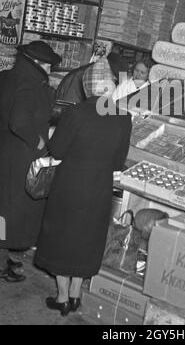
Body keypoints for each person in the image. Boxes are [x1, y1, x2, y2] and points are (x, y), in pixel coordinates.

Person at [34, 58, 132, 316]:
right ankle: (77, 294)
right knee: (86, 239)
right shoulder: (123, 117)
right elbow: (118, 161)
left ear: (89, 89)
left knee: (62, 238)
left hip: (70, 186)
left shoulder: (75, 114)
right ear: (109, 88)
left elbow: (57, 150)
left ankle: (63, 297)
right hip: (100, 188)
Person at [0, 40, 61, 282]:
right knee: (17, 214)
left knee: (4, 211)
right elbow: (20, 122)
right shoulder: (29, 84)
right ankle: (9, 263)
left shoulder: (8, 77)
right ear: (36, 63)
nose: (49, 70)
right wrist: (40, 144)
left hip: (6, 153)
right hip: (22, 159)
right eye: (47, 66)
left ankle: (9, 259)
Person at [56, 50, 128, 105]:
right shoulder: (81, 77)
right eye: (114, 76)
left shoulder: (93, 72)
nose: (114, 80)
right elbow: (69, 106)